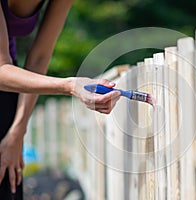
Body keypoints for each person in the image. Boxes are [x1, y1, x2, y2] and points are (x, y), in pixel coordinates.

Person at [0, 0, 121, 199]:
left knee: (8, 180)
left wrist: (17, 132)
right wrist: (70, 85)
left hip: (9, 82)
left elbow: (39, 57)